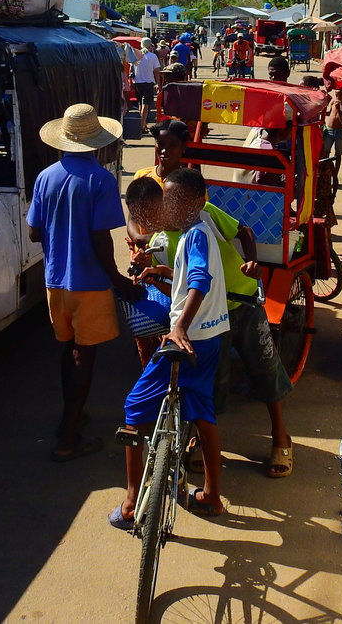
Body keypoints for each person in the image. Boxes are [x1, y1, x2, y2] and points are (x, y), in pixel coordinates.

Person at [128, 123, 295, 477]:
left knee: (264, 368)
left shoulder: (204, 218)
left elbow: (243, 232)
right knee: (210, 382)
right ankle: (199, 441)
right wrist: (152, 270)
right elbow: (182, 278)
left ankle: (281, 437)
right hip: (207, 319)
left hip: (240, 301)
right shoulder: (161, 236)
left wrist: (252, 262)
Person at [110, 167, 230, 529]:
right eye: (168, 201)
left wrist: (177, 326)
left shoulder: (194, 236)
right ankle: (211, 495)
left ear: (196, 202)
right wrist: (161, 275)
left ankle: (131, 503)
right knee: (202, 412)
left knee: (134, 407)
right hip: (211, 338)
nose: (170, 208)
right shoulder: (199, 232)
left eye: (176, 201)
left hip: (186, 340)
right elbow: (187, 283)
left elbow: (198, 282)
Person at [27, 103, 138, 462]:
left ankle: (69, 420)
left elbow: (33, 232)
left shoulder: (46, 176)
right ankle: (68, 439)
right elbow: (101, 240)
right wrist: (118, 280)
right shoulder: (101, 180)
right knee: (83, 355)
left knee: (69, 347)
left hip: (55, 280)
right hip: (88, 281)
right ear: (97, 143)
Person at [321, 84, 342, 176]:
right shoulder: (333, 102)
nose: (338, 97)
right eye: (336, 95)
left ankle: (335, 174)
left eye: (340, 95)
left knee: (338, 154)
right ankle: (324, 171)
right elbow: (330, 113)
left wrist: (338, 109)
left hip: (339, 132)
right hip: (329, 130)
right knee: (325, 152)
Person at [133, 38, 161, 126]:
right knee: (145, 104)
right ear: (150, 46)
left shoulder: (135, 55)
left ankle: (142, 124)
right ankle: (142, 124)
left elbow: (131, 70)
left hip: (137, 83)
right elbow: (156, 72)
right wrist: (159, 85)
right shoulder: (153, 56)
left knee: (140, 104)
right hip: (148, 83)